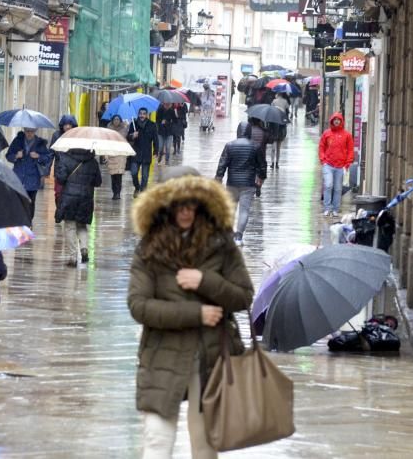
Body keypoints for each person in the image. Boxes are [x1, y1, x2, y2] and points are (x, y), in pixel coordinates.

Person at [128, 174, 254, 459]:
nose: (186, 212)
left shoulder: (222, 245)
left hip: (212, 358)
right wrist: (195, 313)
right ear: (166, 206)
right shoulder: (150, 249)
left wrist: (205, 281)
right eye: (179, 205)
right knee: (157, 442)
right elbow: (139, 306)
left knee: (205, 444)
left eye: (192, 205)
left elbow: (244, 296)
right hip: (162, 355)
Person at [215, 121, 267, 244]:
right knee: (244, 210)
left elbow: (222, 163)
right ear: (249, 132)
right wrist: (261, 178)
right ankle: (238, 236)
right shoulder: (256, 146)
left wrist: (218, 177)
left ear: (238, 132)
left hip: (232, 183)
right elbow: (262, 165)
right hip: (248, 184)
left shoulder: (229, 146)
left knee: (230, 209)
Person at [54, 148, 101, 267]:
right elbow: (98, 182)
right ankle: (84, 248)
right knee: (81, 225)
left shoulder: (66, 159)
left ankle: (73, 257)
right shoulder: (93, 162)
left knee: (69, 226)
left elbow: (60, 179)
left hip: (69, 198)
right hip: (86, 198)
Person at [5, 127, 53, 218]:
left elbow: (47, 158)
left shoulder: (40, 143)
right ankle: (19, 221)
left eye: (32, 131)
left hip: (33, 177)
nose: (29, 133)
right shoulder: (18, 141)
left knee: (30, 202)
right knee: (18, 201)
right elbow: (8, 155)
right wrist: (16, 156)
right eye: (27, 131)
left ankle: (29, 222)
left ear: (35, 131)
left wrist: (38, 156)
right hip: (18, 177)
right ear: (24, 130)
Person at [319, 112, 354, 218]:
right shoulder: (326, 134)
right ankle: (327, 208)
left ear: (341, 121)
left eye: (338, 119)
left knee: (338, 188)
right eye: (335, 119)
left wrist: (348, 162)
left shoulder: (347, 135)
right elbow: (321, 147)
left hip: (340, 166)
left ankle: (335, 209)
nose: (337, 121)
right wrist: (323, 159)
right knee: (328, 185)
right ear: (332, 121)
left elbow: (350, 150)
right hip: (328, 165)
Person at [127, 108, 159, 196]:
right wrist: (132, 135)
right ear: (138, 114)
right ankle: (137, 187)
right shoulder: (134, 124)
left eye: (144, 114)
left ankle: (142, 191)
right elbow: (128, 137)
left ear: (147, 115)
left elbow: (155, 139)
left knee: (145, 176)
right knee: (133, 172)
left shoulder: (152, 125)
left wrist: (156, 151)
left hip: (146, 154)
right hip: (135, 153)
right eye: (140, 113)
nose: (142, 115)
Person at [50, 114, 78, 209]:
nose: (68, 126)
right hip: (59, 169)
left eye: (70, 124)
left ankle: (66, 210)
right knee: (58, 192)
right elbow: (51, 153)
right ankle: (59, 210)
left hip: (73, 169)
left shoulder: (77, 137)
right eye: (65, 124)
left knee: (70, 192)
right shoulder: (56, 135)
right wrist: (46, 169)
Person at [105, 115, 128, 200]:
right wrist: (106, 155)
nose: (116, 121)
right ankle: (114, 192)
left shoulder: (124, 129)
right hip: (111, 154)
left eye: (118, 119)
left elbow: (125, 139)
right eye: (115, 119)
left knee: (119, 175)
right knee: (113, 175)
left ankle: (118, 193)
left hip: (121, 154)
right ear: (112, 120)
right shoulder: (108, 130)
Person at [247, 117, 268, 196]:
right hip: (261, 155)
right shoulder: (263, 131)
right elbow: (270, 140)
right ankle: (259, 185)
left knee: (252, 171)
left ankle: (253, 185)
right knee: (261, 172)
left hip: (250, 154)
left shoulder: (248, 131)